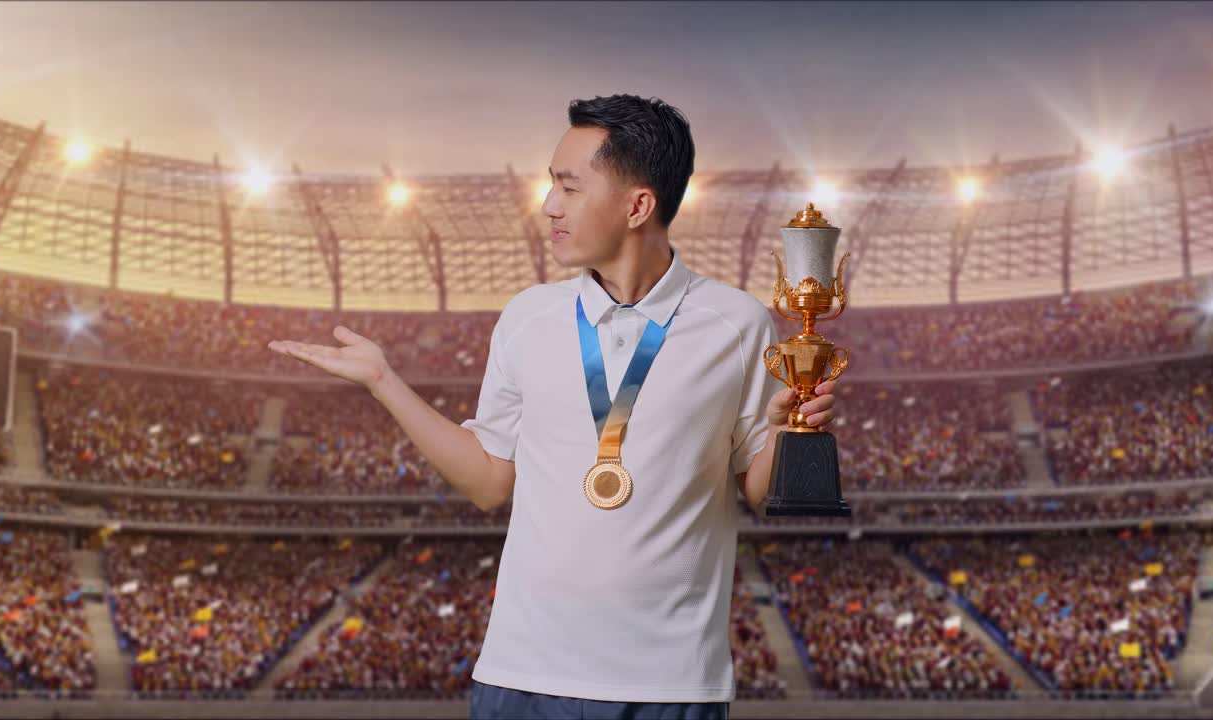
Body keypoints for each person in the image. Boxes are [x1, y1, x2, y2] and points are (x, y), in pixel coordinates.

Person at [269, 93, 838, 719]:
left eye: (569, 188)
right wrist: (385, 382)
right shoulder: (526, 318)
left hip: (669, 687)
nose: (549, 207)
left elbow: (758, 490)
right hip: (521, 677)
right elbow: (488, 481)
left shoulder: (738, 323)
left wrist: (791, 427)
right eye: (551, 186)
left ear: (637, 204)